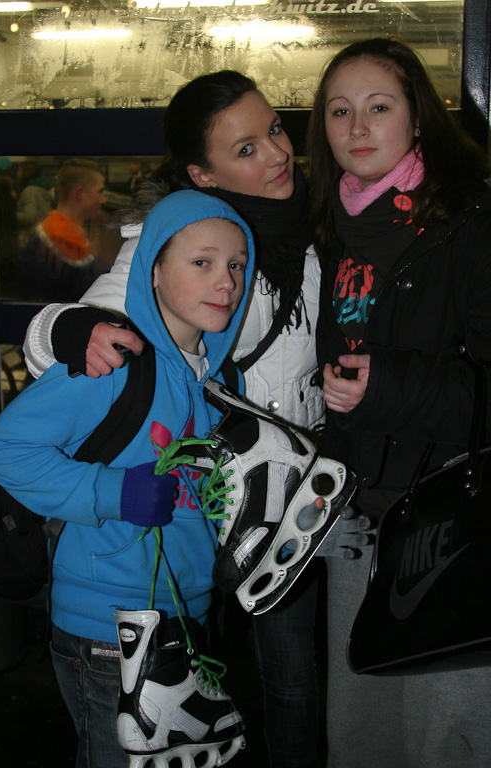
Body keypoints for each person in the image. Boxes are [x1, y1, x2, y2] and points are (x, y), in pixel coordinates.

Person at [22, 71, 331, 768]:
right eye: (245, 149)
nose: (277, 154)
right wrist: (71, 333)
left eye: (274, 131)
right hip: (186, 519)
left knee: (290, 676)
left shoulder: (317, 235)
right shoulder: (176, 242)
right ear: (202, 173)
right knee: (175, 692)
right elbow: (65, 337)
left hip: (282, 501)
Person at [0, 189, 255, 768]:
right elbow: (5, 448)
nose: (225, 282)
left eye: (236, 265)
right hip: (107, 628)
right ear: (153, 270)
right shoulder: (113, 363)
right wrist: (113, 492)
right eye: (201, 262)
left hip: (187, 618)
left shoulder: (220, 382)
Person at [308, 37, 491, 768]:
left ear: (418, 118)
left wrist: (386, 387)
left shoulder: (472, 222)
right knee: (360, 729)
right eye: (339, 111)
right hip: (357, 515)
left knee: (446, 734)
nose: (357, 127)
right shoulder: (329, 228)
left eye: (378, 107)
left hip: (451, 524)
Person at [19, 158, 106, 302]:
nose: (103, 200)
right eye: (100, 192)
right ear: (80, 193)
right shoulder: (59, 240)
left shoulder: (58, 233)